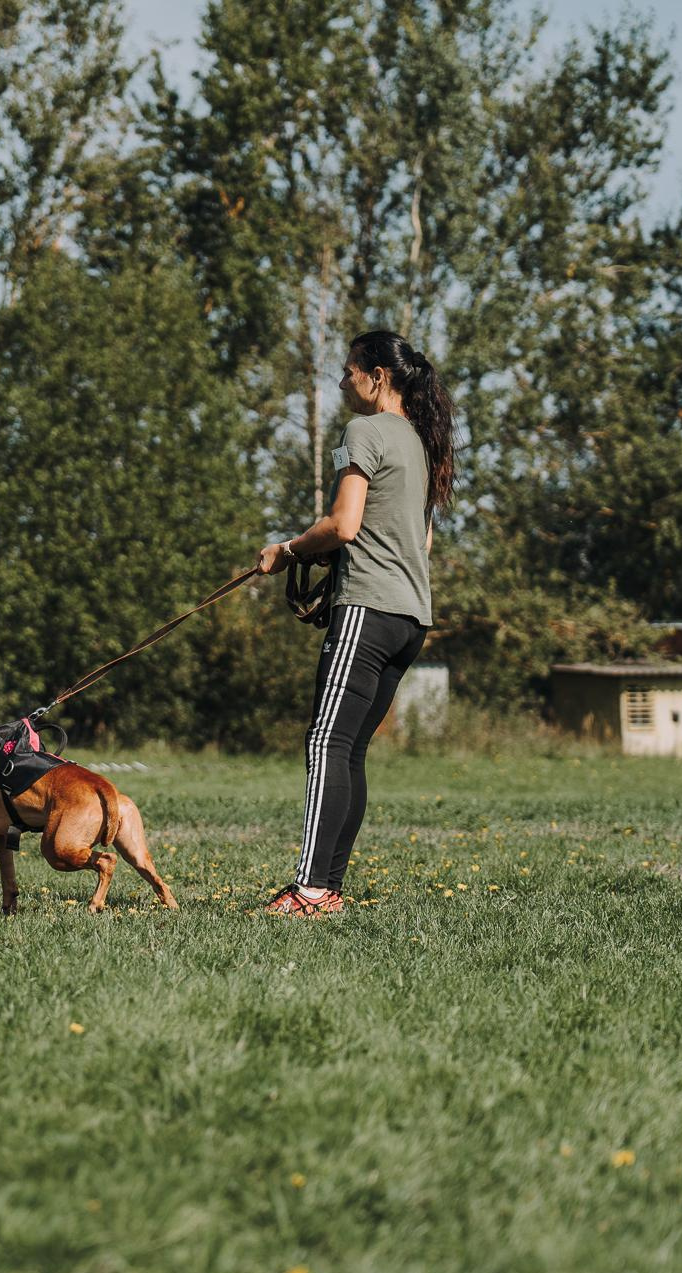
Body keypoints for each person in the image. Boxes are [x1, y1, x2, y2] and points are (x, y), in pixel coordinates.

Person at [255, 330, 454, 917]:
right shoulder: (420, 442)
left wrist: (286, 551)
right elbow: (421, 538)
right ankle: (327, 889)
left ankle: (309, 890)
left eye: (348, 372)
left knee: (325, 744)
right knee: (351, 750)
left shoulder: (361, 432)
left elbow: (343, 524)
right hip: (410, 619)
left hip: (367, 611)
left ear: (378, 376)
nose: (341, 382)